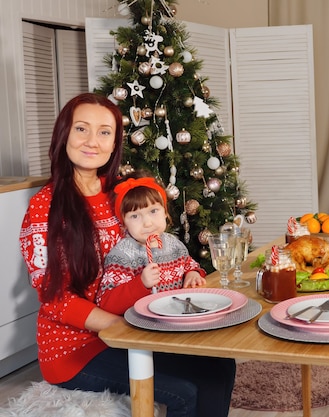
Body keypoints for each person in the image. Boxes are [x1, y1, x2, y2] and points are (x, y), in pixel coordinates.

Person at [19, 93, 235, 417]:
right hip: (75, 350)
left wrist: (191, 273)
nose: (93, 141)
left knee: (219, 366)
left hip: (131, 327)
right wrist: (125, 327)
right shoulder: (45, 206)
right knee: (184, 393)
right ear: (64, 133)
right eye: (82, 129)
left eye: (105, 132)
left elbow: (161, 248)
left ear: (114, 143)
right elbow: (56, 299)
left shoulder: (120, 195)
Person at [97, 172, 206, 315]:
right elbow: (106, 303)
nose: (147, 223)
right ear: (124, 223)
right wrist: (140, 284)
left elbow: (189, 264)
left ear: (165, 213)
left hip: (178, 317)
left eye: (153, 211)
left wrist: (193, 273)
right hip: (144, 327)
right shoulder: (123, 255)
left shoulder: (173, 244)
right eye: (135, 216)